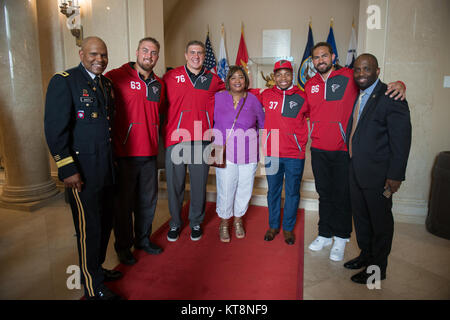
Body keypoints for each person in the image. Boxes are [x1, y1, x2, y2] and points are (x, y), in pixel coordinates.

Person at [305, 42, 406, 261]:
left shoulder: (350, 76)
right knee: (324, 194)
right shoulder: (309, 84)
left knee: (342, 196)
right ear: (312, 61)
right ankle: (324, 233)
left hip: (343, 150)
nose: (320, 60)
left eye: (324, 56)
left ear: (333, 56)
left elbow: (375, 86)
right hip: (319, 149)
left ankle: (341, 237)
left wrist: (400, 84)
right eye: (316, 57)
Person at [44, 36, 122, 300]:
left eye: (103, 54)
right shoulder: (64, 81)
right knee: (89, 228)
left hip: (106, 169)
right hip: (82, 173)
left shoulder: (106, 84)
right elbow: (55, 131)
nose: (99, 59)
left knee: (105, 223)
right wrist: (67, 169)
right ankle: (92, 286)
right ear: (81, 54)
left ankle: (96, 270)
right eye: (93, 54)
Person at [344, 54, 411, 284]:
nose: (361, 74)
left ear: (377, 71)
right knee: (361, 219)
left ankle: (377, 269)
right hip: (356, 169)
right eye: (357, 70)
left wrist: (395, 175)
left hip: (380, 176)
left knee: (380, 222)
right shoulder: (360, 95)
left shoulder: (392, 96)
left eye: (367, 69)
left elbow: (402, 140)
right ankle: (366, 255)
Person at [105, 37, 164, 265]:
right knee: (123, 205)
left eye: (154, 52)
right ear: (137, 52)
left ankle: (143, 240)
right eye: (145, 51)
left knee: (147, 202)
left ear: (157, 57)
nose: (149, 56)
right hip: (125, 154)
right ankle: (123, 246)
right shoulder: (116, 77)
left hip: (150, 154)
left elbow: (160, 114)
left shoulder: (159, 84)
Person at [162, 40, 225, 242]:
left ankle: (196, 221)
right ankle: (175, 223)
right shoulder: (171, 77)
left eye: (199, 52)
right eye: (192, 52)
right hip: (176, 138)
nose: (196, 56)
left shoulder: (214, 79)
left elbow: (233, 93)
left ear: (203, 56)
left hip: (202, 139)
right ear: (185, 54)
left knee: (198, 185)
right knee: (175, 185)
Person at [259, 60, 309, 245]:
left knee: (292, 191)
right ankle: (273, 226)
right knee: (273, 190)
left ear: (292, 75)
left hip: (295, 154)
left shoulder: (303, 97)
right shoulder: (265, 95)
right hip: (272, 152)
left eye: (287, 74)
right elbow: (242, 92)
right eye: (279, 74)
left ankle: (288, 228)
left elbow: (319, 113)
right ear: (274, 77)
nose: (283, 78)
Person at [212, 65, 265, 242]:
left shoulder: (253, 100)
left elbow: (262, 124)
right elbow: (208, 120)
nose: (237, 81)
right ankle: (224, 222)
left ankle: (238, 219)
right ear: (228, 81)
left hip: (248, 153)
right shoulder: (218, 98)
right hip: (225, 152)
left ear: (246, 80)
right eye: (233, 77)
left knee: (244, 188)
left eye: (241, 77)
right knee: (225, 188)